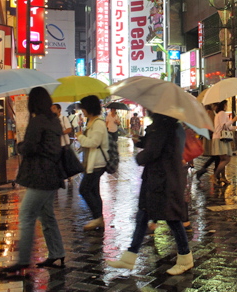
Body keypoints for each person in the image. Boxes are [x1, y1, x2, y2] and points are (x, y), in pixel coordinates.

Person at [106, 113, 193, 275]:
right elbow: (156, 144)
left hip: (163, 180)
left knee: (172, 219)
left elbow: (153, 151)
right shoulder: (168, 126)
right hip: (157, 178)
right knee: (143, 216)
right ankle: (129, 258)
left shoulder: (163, 126)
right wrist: (142, 140)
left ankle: (185, 258)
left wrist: (139, 157)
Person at [0, 87, 66, 274]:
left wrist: (20, 145)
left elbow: (30, 147)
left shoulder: (37, 122)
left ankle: (22, 260)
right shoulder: (54, 121)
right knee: (47, 216)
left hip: (40, 176)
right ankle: (57, 252)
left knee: (26, 215)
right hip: (53, 175)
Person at [75, 95, 109, 231]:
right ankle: (98, 218)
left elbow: (94, 143)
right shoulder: (92, 122)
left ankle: (97, 218)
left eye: (83, 108)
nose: (82, 110)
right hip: (92, 162)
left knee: (84, 189)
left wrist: (80, 137)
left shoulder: (98, 124)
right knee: (94, 191)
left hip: (97, 164)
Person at [210, 100, 237, 185]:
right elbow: (224, 126)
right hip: (221, 138)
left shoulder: (219, 114)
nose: (227, 106)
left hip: (218, 138)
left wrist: (236, 127)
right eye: (226, 104)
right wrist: (233, 119)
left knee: (222, 159)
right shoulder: (222, 113)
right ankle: (215, 175)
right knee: (226, 159)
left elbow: (227, 127)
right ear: (224, 105)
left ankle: (223, 177)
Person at [195, 104, 219, 181]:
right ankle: (207, 171)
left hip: (208, 137)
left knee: (216, 156)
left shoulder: (205, 113)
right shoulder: (211, 113)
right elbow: (212, 126)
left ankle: (212, 172)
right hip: (212, 138)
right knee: (216, 155)